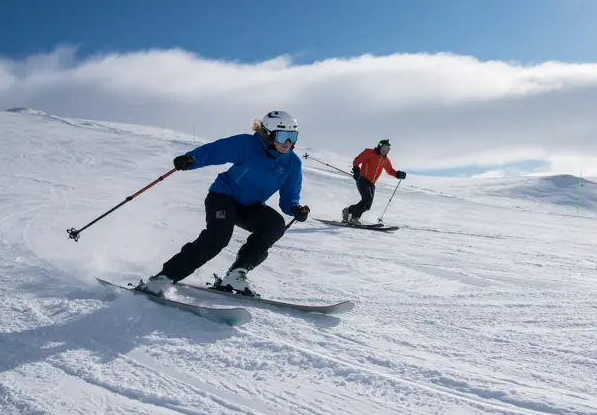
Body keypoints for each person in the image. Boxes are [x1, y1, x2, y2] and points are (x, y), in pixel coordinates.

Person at [135, 111, 311, 298]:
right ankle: (163, 278)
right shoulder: (248, 145)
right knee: (218, 237)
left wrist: (295, 208)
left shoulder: (293, 163)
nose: (288, 143)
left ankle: (236, 274)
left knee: (275, 224)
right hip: (223, 196)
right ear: (268, 133)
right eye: (283, 136)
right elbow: (216, 151)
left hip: (249, 206)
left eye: (293, 137)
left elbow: (289, 198)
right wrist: (191, 159)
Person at [342, 139, 406, 225]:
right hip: (362, 179)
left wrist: (398, 174)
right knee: (366, 199)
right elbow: (357, 161)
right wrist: (357, 172)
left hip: (371, 183)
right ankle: (354, 218)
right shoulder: (369, 152)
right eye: (384, 148)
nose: (385, 150)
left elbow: (390, 170)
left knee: (367, 206)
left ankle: (347, 211)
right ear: (379, 146)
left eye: (388, 149)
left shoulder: (385, 160)